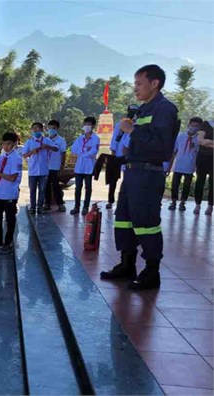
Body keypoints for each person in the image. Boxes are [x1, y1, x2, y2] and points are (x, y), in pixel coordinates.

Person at [101, 64, 180, 290]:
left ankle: (151, 271)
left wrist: (132, 130)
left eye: (139, 84)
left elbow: (161, 146)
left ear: (154, 83)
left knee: (146, 223)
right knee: (124, 218)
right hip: (133, 171)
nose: (135, 89)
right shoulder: (143, 110)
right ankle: (127, 264)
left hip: (148, 174)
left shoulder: (164, 109)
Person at [22, 122, 57, 214]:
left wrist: (47, 146)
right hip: (33, 171)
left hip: (43, 170)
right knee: (32, 190)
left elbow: (56, 149)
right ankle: (33, 207)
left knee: (42, 190)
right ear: (31, 130)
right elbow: (24, 155)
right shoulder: (29, 142)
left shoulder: (46, 140)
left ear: (41, 130)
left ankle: (40, 207)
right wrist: (31, 152)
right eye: (34, 128)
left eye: (37, 128)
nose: (36, 130)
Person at [168, 117, 201, 211]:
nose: (193, 128)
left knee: (186, 185)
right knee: (175, 184)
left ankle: (182, 203)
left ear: (199, 128)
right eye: (192, 125)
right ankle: (173, 202)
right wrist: (170, 166)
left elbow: (199, 154)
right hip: (178, 165)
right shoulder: (180, 136)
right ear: (188, 125)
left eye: (196, 126)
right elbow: (174, 151)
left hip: (190, 166)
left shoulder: (199, 139)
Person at [70, 116, 100, 215]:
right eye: (85, 124)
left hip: (89, 167)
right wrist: (84, 152)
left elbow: (93, 151)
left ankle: (85, 207)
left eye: (89, 125)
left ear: (93, 126)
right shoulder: (80, 138)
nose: (87, 126)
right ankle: (76, 207)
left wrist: (82, 153)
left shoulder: (95, 138)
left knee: (88, 187)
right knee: (78, 187)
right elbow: (74, 149)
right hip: (79, 167)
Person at [44, 120, 67, 212]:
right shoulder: (45, 140)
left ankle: (60, 203)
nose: (51, 130)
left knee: (56, 186)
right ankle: (47, 203)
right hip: (46, 167)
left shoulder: (61, 140)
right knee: (46, 186)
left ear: (57, 129)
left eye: (53, 128)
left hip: (55, 166)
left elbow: (63, 153)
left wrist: (62, 166)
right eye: (49, 128)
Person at [194, 120, 213, 215]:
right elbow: (200, 141)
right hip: (202, 158)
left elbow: (205, 142)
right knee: (200, 182)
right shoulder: (205, 124)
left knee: (213, 183)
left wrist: (208, 142)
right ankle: (197, 205)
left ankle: (210, 206)